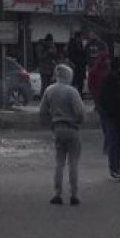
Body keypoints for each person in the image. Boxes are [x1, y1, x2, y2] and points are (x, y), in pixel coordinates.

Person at [40, 64, 85, 206]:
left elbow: (42, 112)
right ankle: (74, 194)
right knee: (73, 163)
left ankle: (57, 193)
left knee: (59, 163)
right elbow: (80, 112)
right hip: (72, 129)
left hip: (57, 128)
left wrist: (51, 125)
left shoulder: (49, 90)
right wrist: (79, 123)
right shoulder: (72, 92)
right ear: (69, 76)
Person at [98, 57, 120, 181]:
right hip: (112, 116)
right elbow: (105, 99)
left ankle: (117, 167)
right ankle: (114, 168)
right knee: (113, 143)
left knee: (118, 143)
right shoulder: (109, 80)